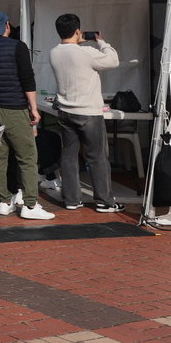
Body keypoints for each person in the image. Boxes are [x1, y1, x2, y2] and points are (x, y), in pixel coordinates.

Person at [0, 11, 54, 220]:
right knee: (28, 156)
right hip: (15, 107)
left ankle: (4, 201)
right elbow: (27, 79)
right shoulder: (17, 46)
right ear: (7, 26)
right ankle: (30, 205)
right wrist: (34, 108)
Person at [49, 14, 123, 213]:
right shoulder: (87, 52)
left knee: (69, 157)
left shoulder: (54, 52)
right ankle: (104, 201)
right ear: (77, 31)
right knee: (97, 157)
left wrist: (76, 41)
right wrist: (101, 42)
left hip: (65, 111)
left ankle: (72, 199)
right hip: (88, 112)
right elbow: (113, 61)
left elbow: (70, 52)